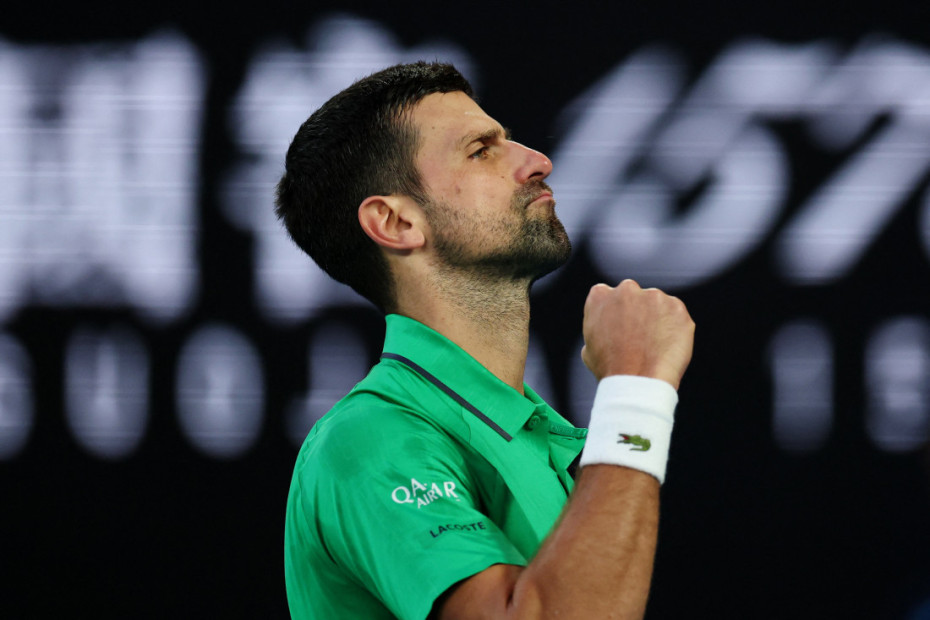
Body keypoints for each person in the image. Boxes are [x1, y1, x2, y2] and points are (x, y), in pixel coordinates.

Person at [278, 61, 694, 619]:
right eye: (481, 151)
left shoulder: (527, 436)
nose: (537, 160)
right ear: (396, 223)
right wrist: (635, 388)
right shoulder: (369, 442)